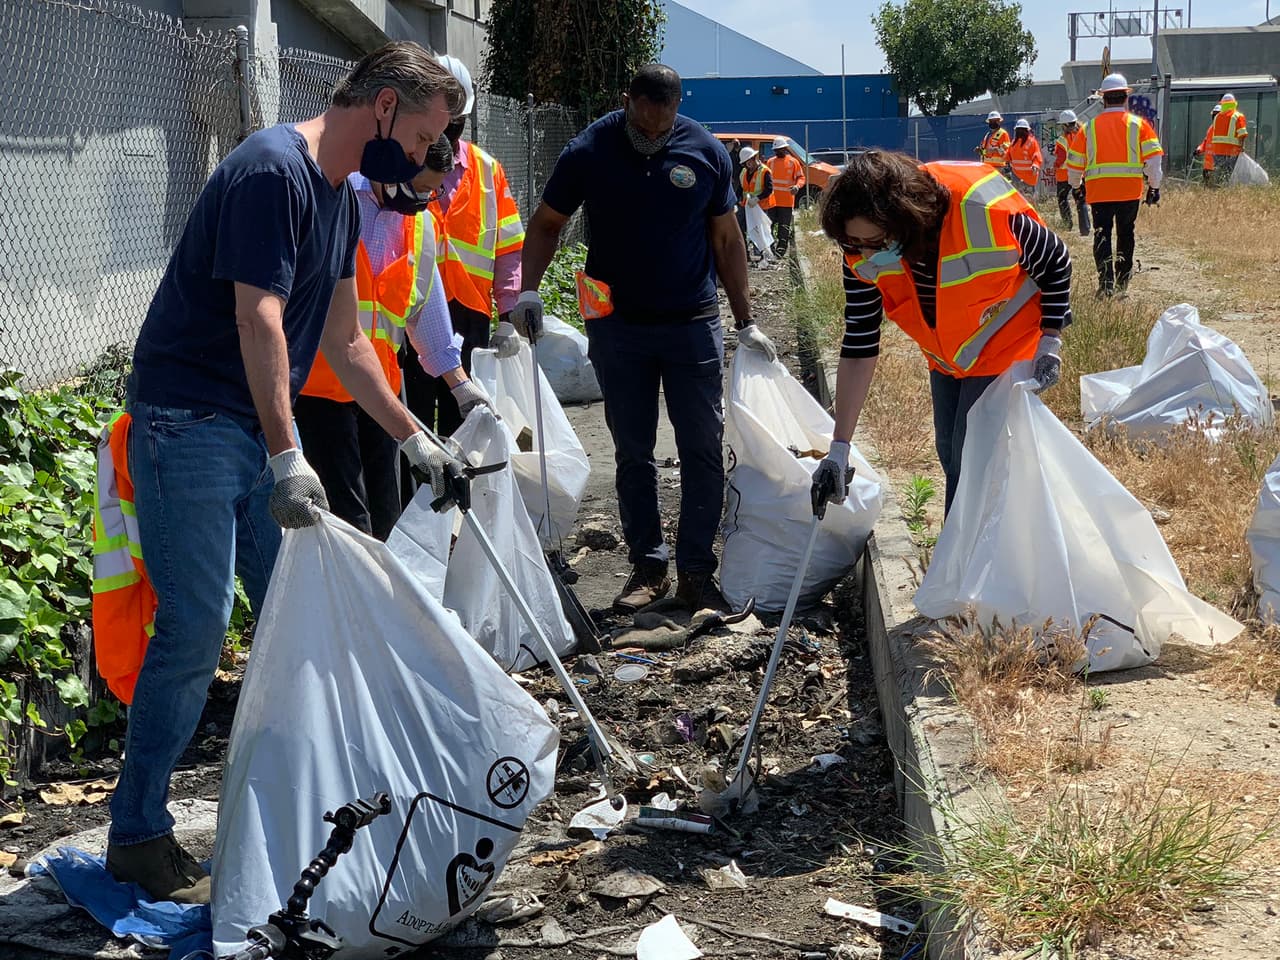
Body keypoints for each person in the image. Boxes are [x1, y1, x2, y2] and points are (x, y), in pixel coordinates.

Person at [105, 43, 467, 904]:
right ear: (383, 107)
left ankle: (303, 811)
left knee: (294, 619)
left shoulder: (340, 197)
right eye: (423, 137)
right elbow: (257, 316)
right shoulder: (273, 170)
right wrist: (287, 455)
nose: (424, 158)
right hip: (187, 423)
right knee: (195, 631)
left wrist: (416, 437)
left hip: (245, 429)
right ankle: (136, 834)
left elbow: (344, 341)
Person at [516, 64, 777, 613]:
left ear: (677, 108)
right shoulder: (590, 150)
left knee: (702, 446)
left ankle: (697, 572)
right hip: (619, 326)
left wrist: (745, 318)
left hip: (693, 322)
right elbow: (545, 224)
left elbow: (727, 239)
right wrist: (529, 290)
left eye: (664, 127)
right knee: (633, 450)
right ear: (627, 100)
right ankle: (648, 565)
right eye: (644, 125)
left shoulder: (704, 150)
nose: (653, 136)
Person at [812, 152, 1072, 515]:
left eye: (874, 240)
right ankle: (966, 554)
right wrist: (840, 447)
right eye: (855, 243)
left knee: (973, 462)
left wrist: (1051, 339)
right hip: (949, 358)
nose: (865, 252)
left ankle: (967, 561)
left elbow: (1057, 259)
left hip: (1006, 344)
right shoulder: (860, 253)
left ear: (904, 218)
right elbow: (860, 339)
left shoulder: (981, 212)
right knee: (951, 454)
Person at [294, 136, 487, 540]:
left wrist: (460, 385)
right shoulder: (340, 202)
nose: (426, 198)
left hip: (380, 388)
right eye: (420, 187)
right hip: (321, 386)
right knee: (347, 516)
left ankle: (386, 598)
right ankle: (352, 601)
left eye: (434, 190)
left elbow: (426, 311)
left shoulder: (422, 225)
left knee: (388, 513)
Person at [402, 55, 525, 436]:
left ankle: (466, 494)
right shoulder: (401, 166)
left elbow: (508, 248)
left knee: (469, 420)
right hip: (411, 312)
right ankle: (418, 493)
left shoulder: (487, 169)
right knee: (414, 419)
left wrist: (508, 318)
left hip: (469, 310)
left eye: (456, 119)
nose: (447, 127)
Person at [1066, 73, 1163, 297]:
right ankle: (1122, 282)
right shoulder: (1139, 125)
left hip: (1099, 192)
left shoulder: (1088, 128)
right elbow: (1154, 161)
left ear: (1103, 99)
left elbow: (1074, 164)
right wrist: (1154, 187)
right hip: (1129, 192)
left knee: (1102, 235)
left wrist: (1076, 186)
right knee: (1126, 234)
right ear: (1126, 97)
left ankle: (1106, 284)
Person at [765, 137, 805, 256]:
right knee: (769, 226)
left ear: (785, 149)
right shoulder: (770, 162)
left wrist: (797, 186)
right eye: (776, 150)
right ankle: (770, 249)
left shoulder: (793, 162)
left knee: (784, 228)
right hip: (772, 201)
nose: (778, 152)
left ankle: (781, 250)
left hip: (786, 202)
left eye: (780, 149)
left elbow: (801, 177)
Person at [1052, 110, 1090, 235]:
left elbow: (1061, 158)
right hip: (1081, 172)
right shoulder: (1083, 135)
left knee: (1062, 198)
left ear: (1065, 125)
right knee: (1080, 199)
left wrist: (1055, 166)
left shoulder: (1062, 139)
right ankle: (1085, 229)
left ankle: (1067, 225)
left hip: (1064, 174)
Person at [736, 145, 773, 259]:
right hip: (746, 205)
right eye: (745, 163)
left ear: (753, 158)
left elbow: (769, 189)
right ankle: (744, 254)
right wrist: (736, 201)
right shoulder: (743, 172)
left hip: (760, 206)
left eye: (748, 162)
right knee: (740, 228)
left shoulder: (765, 171)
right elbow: (740, 189)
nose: (747, 165)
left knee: (760, 230)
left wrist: (757, 198)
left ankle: (763, 254)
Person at [1209, 92, 1248, 184]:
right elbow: (1242, 134)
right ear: (1234, 103)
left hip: (1217, 151)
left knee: (1219, 174)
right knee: (1230, 175)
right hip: (1232, 151)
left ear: (1222, 104)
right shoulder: (1238, 116)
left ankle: (1218, 191)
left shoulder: (1217, 117)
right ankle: (1227, 192)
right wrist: (1242, 147)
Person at [1007, 118, 1043, 197]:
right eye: (1019, 130)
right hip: (1016, 176)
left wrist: (1035, 165)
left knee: (1028, 200)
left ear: (1027, 131)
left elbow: (1037, 155)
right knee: (1018, 200)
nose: (1020, 132)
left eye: (1022, 129)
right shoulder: (1013, 143)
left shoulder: (1032, 142)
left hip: (1028, 178)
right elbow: (1008, 156)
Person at [1194, 104, 1221, 186]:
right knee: (1207, 188)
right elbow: (1205, 142)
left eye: (1217, 114)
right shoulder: (1211, 128)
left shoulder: (1222, 130)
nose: (1214, 116)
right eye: (1214, 114)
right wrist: (1199, 149)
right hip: (1207, 165)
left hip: (1216, 166)